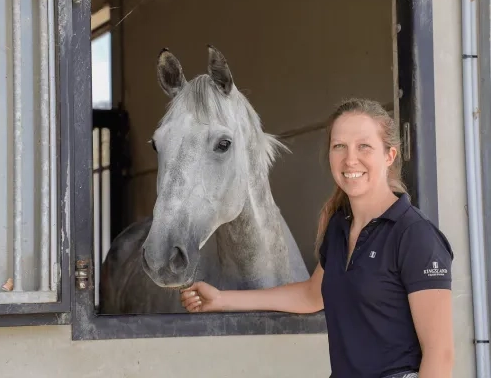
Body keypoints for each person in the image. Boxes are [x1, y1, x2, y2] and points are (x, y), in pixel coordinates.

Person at [180, 98, 454, 378]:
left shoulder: (414, 235)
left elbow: (440, 355)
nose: (350, 159)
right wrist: (222, 299)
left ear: (389, 156)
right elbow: (312, 295)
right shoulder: (339, 226)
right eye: (339, 146)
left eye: (364, 146)